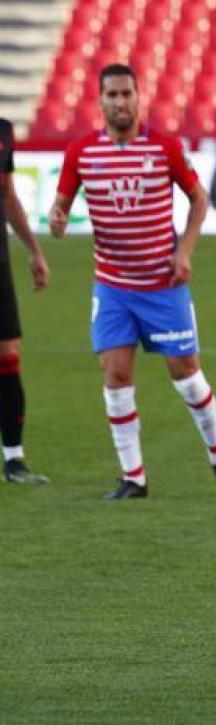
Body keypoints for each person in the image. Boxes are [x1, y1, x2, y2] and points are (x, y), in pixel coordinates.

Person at [49, 64, 216, 499]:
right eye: (112, 95)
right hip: (113, 285)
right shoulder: (81, 153)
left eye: (126, 94)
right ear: (100, 101)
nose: (120, 102)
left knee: (186, 375)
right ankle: (133, 477)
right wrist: (57, 220)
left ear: (139, 97)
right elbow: (60, 209)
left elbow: (199, 198)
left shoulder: (165, 148)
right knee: (115, 374)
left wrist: (185, 250)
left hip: (162, 283)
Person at [0, 117, 51, 484]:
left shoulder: (3, 130)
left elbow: (6, 193)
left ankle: (14, 460)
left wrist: (34, 250)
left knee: (7, 354)